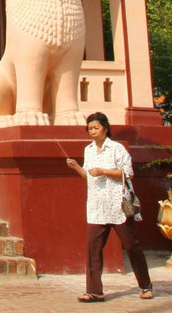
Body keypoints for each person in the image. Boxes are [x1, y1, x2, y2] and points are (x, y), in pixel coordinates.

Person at [65, 112, 153, 302]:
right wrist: (76, 168)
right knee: (93, 250)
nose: (93, 132)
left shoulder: (116, 149)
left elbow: (128, 174)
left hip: (118, 204)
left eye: (96, 128)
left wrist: (104, 171)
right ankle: (94, 291)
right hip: (96, 206)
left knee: (131, 245)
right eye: (90, 129)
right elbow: (87, 176)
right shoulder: (88, 150)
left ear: (105, 128)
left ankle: (146, 286)